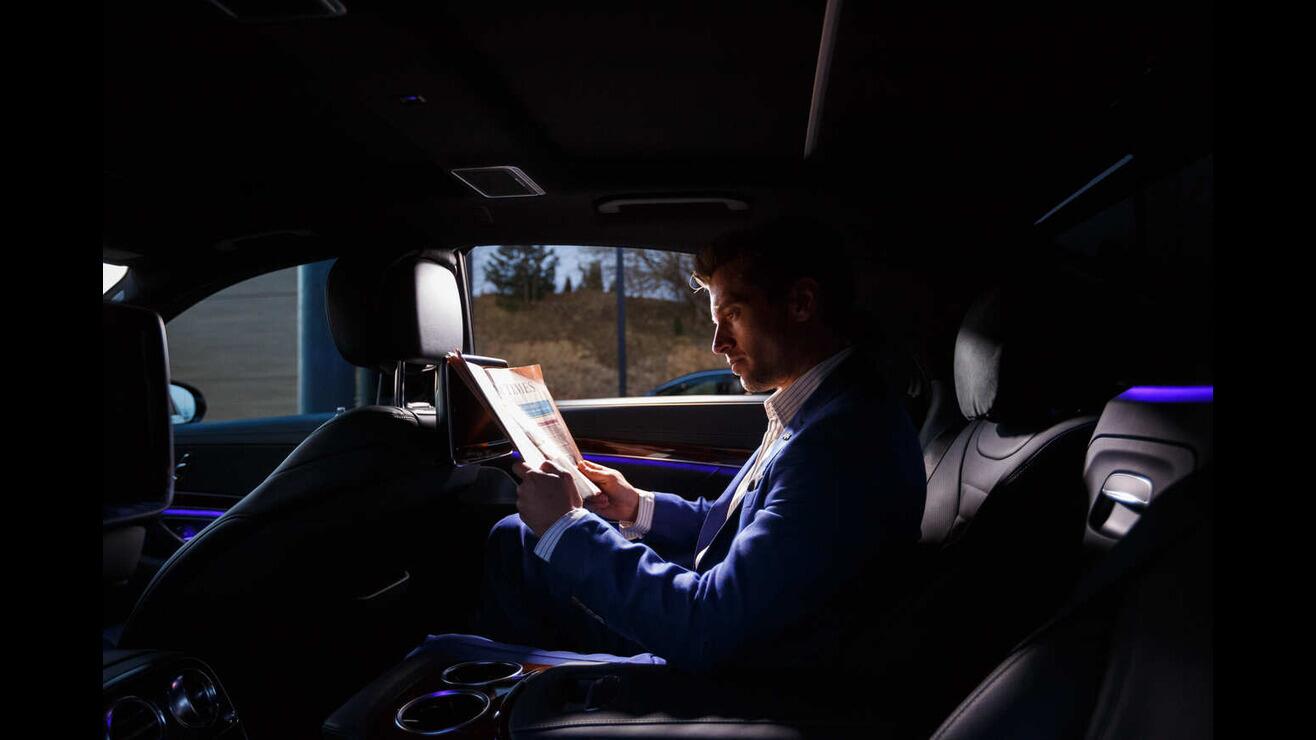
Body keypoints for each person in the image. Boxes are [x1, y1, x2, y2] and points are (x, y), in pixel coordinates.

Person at [427, 219, 927, 672]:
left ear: (801, 303)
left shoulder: (841, 445)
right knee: (516, 537)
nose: (717, 343)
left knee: (475, 610)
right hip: (724, 619)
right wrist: (637, 505)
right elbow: (733, 521)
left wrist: (567, 525)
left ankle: (513, 696)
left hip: (726, 672)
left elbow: (709, 625)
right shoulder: (819, 405)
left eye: (731, 314)